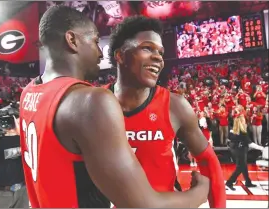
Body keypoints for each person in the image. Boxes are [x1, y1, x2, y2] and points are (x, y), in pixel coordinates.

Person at [19, 6, 210, 208]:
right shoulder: (92, 101)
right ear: (72, 40)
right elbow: (145, 205)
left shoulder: (29, 92)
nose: (101, 53)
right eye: (94, 42)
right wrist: (199, 193)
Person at [105, 16, 226, 208]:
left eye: (160, 52)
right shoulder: (94, 104)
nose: (158, 58)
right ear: (119, 55)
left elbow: (208, 160)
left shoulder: (175, 106)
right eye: (147, 48)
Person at [225, 115, 264, 190]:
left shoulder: (232, 131)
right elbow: (250, 144)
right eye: (244, 121)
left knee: (244, 166)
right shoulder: (242, 132)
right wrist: (261, 148)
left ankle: (248, 181)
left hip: (234, 150)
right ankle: (229, 182)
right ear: (241, 123)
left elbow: (230, 140)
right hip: (241, 150)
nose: (245, 122)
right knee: (240, 167)